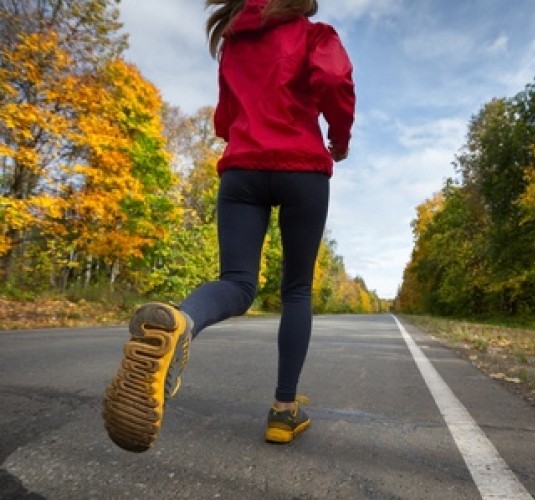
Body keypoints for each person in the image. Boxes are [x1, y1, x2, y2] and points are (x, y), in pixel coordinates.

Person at [102, 0, 355, 453]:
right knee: (296, 289)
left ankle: (183, 321)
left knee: (236, 282)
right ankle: (283, 411)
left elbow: (225, 116)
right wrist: (339, 137)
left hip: (242, 171)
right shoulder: (314, 34)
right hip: (302, 170)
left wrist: (248, 135)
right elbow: (335, 80)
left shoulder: (233, 39)